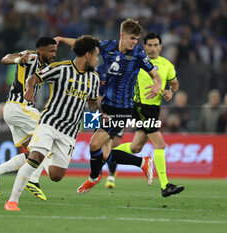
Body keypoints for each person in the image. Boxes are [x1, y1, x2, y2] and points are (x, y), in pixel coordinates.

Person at [55, 19, 162, 194]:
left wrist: (157, 84)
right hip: (104, 106)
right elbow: (82, 45)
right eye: (131, 38)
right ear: (122, 36)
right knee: (104, 154)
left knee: (93, 144)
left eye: (136, 39)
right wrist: (60, 38)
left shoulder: (139, 55)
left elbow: (155, 75)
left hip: (122, 109)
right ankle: (143, 162)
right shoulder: (108, 46)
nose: (134, 42)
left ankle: (93, 178)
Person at [4, 35, 101, 211]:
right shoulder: (60, 68)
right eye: (96, 55)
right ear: (87, 55)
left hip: (70, 131)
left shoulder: (94, 78)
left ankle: (28, 182)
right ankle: (12, 201)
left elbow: (92, 104)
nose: (97, 59)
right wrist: (30, 91)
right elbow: (33, 77)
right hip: (49, 122)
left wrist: (95, 126)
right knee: (36, 157)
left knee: (56, 175)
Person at [105, 32, 185, 197]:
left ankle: (102, 155)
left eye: (156, 45)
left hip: (153, 110)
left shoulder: (167, 65)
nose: (153, 48)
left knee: (136, 147)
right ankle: (165, 186)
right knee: (160, 144)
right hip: (139, 107)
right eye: (150, 45)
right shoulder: (136, 61)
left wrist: (170, 92)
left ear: (161, 47)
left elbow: (175, 84)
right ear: (144, 46)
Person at [0, 37, 57, 201]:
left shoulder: (47, 67)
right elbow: (5, 59)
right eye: (51, 51)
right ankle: (33, 179)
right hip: (19, 107)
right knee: (49, 135)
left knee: (33, 152)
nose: (54, 54)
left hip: (13, 110)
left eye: (55, 51)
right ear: (41, 50)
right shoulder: (31, 57)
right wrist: (18, 59)